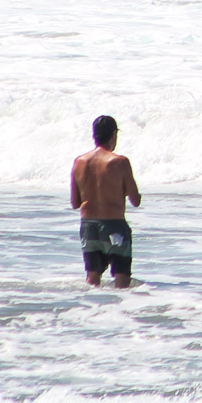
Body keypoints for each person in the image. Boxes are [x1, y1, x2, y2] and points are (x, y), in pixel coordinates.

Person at [70, 115, 141, 288]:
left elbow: (75, 203)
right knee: (122, 279)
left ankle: (90, 312)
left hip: (89, 227)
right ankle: (119, 314)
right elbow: (135, 200)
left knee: (92, 279)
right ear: (114, 135)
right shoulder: (120, 162)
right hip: (115, 227)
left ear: (94, 135)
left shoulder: (79, 162)